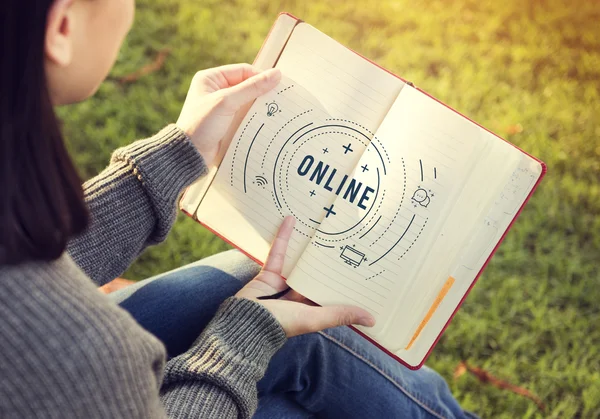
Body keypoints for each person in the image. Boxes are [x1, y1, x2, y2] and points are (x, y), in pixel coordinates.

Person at [0, 0, 476, 418]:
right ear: (62, 27)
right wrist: (240, 340)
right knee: (294, 357)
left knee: (254, 286)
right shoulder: (81, 349)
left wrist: (174, 157)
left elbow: (22, 257)